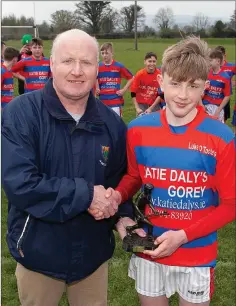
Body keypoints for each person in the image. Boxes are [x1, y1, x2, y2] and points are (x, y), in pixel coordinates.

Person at [2, 29, 135, 306]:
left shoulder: (112, 124)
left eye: (86, 62)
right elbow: (20, 184)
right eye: (67, 61)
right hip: (39, 255)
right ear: (51, 64)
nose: (77, 71)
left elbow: (118, 180)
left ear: (97, 68)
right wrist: (87, 195)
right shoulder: (21, 113)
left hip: (93, 257)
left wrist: (123, 216)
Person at [105, 37, 235, 306]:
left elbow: (231, 204)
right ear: (161, 81)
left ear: (205, 88)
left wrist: (183, 236)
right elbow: (133, 177)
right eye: (175, 83)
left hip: (196, 252)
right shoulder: (139, 130)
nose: (183, 94)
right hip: (149, 248)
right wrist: (117, 197)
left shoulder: (221, 136)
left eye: (193, 86)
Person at [96, 42, 134, 117]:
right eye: (102, 53)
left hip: (115, 101)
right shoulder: (98, 67)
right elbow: (94, 77)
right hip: (102, 101)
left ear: (112, 53)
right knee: (104, 125)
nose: (104, 55)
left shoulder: (119, 66)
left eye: (106, 53)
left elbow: (131, 78)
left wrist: (124, 90)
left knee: (116, 125)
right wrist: (97, 87)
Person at [202, 49, 231, 122]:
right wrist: (202, 105)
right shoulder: (206, 74)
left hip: (217, 108)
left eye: (211, 60)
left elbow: (227, 95)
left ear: (218, 61)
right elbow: (200, 91)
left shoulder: (225, 77)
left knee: (217, 131)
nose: (209, 63)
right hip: (205, 106)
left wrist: (218, 110)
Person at [130, 52, 161, 116]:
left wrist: (151, 108)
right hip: (141, 106)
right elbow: (133, 92)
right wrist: (137, 108)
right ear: (145, 62)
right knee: (140, 124)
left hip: (155, 105)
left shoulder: (160, 75)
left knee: (154, 125)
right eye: (149, 61)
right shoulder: (139, 74)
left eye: (154, 61)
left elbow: (161, 94)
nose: (152, 64)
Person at [215, 45, 236, 121]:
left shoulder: (231, 66)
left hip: (225, 97)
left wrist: (233, 83)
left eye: (220, 56)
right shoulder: (212, 67)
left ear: (225, 55)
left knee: (224, 117)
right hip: (213, 97)